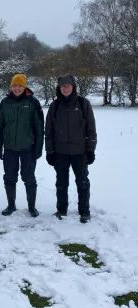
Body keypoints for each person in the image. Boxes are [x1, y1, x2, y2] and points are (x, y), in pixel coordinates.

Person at [45, 75, 97, 224]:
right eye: (63, 86)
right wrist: (49, 152)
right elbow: (48, 131)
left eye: (68, 85)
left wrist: (90, 150)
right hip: (60, 152)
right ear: (59, 88)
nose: (65, 88)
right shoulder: (54, 106)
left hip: (80, 152)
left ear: (73, 87)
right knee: (61, 183)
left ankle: (84, 211)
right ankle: (62, 209)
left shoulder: (83, 103)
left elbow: (91, 129)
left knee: (82, 183)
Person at [0, 74, 44, 217]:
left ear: (25, 87)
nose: (17, 88)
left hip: (28, 148)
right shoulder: (5, 102)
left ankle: (32, 207)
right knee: (9, 177)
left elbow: (39, 127)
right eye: (14, 85)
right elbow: (0, 125)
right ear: (10, 87)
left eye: (20, 85)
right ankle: (11, 205)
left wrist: (38, 148)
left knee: (29, 177)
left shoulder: (33, 102)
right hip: (10, 148)